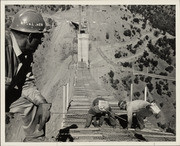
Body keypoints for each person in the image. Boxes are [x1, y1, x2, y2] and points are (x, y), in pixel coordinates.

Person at [5, 9, 51, 141]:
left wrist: (42, 103)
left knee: (32, 105)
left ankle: (35, 139)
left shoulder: (26, 55)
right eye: (39, 37)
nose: (41, 42)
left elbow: (26, 84)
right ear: (30, 37)